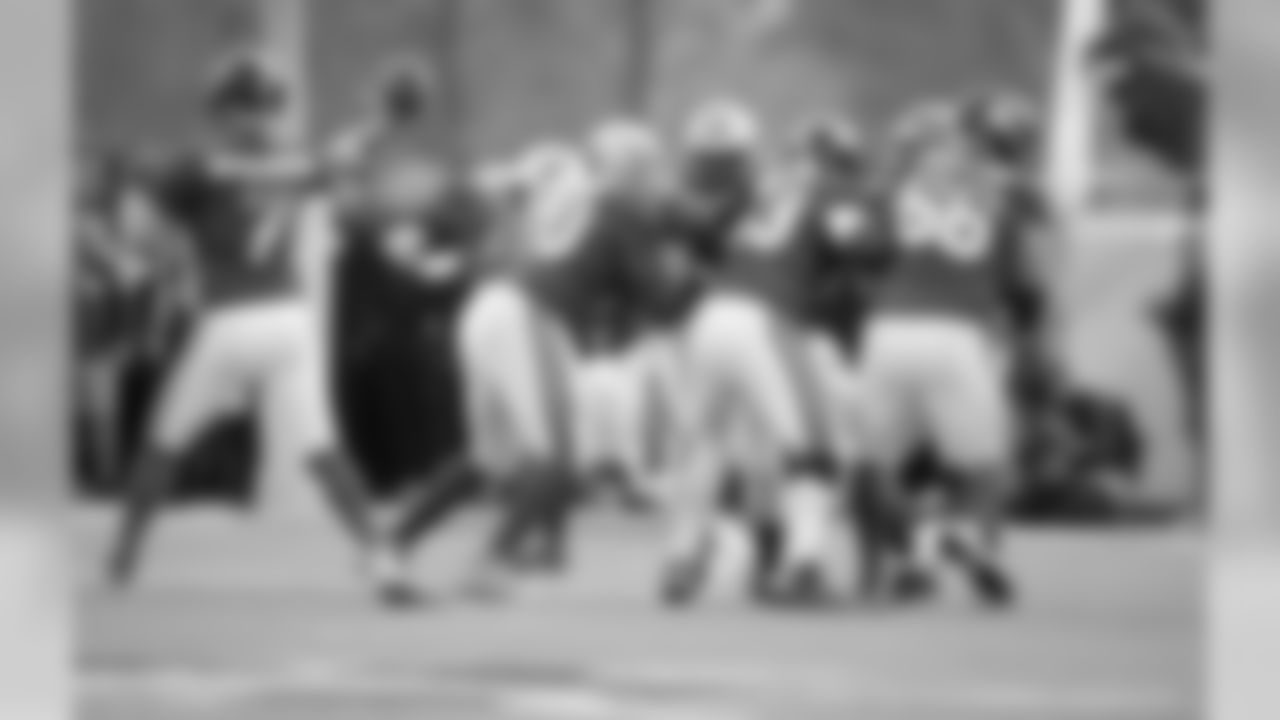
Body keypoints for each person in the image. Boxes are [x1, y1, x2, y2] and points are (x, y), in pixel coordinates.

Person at [106, 53, 384, 588]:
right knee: (320, 448)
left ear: (222, 110)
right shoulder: (295, 162)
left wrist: (170, 259)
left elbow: (138, 225)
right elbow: (345, 156)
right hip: (289, 319)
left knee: (164, 441)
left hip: (230, 318)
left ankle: (123, 556)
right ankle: (379, 554)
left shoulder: (197, 166)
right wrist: (380, 118)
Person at [856, 100, 1045, 607]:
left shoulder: (890, 192)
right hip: (964, 333)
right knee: (983, 462)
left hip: (888, 328)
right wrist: (1028, 336)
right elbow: (1025, 287)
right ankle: (978, 545)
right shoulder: (1003, 195)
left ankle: (909, 554)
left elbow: (863, 254)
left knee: (883, 462)